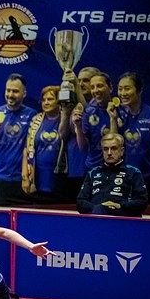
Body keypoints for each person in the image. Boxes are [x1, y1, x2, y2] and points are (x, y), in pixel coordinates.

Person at [0, 73, 36, 206]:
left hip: (23, 180)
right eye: (8, 90)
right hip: (0, 179)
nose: (10, 95)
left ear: (24, 93)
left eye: (15, 91)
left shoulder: (32, 115)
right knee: (0, 217)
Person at [109, 72, 150, 200]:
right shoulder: (120, 114)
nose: (123, 93)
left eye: (127, 88)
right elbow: (114, 145)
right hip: (127, 181)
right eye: (120, 89)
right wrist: (112, 119)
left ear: (139, 90)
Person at [76, 132, 148, 217]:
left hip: (123, 219)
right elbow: (80, 202)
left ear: (121, 151)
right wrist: (98, 209)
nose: (109, 153)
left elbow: (142, 202)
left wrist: (120, 206)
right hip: (97, 218)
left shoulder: (133, 172)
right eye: (106, 149)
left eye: (114, 148)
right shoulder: (92, 173)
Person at [22, 85, 70, 203]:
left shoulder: (66, 120)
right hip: (37, 178)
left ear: (59, 101)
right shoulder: (36, 120)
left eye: (50, 99)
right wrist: (25, 176)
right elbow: (27, 149)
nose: (46, 102)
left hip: (60, 178)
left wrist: (65, 114)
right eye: (43, 100)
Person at [63, 66, 101, 199]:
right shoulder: (72, 103)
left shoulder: (99, 105)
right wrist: (65, 112)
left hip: (93, 167)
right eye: (79, 80)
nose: (81, 84)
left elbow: (89, 114)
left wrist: (76, 86)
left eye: (86, 80)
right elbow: (62, 135)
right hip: (74, 167)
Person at [74, 72, 113, 173]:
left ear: (110, 88)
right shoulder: (88, 112)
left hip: (115, 168)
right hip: (93, 169)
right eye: (92, 87)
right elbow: (83, 147)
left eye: (99, 86)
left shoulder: (122, 112)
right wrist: (78, 126)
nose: (95, 90)